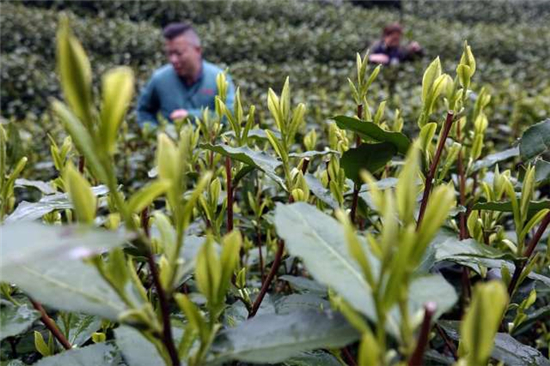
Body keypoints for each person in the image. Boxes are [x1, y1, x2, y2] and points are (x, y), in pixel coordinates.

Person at [137, 22, 235, 126]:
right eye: (170, 54)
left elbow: (229, 115)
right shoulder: (159, 79)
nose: (173, 60)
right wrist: (156, 133)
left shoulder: (219, 78)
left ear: (197, 50)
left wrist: (191, 116)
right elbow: (144, 111)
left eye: (179, 53)